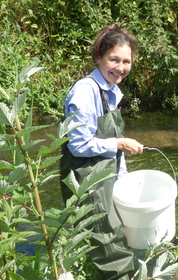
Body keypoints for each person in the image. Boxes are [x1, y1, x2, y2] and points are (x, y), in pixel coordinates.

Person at [59, 25, 144, 280]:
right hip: (88, 180)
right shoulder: (85, 91)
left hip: (107, 176)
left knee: (115, 234)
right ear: (99, 58)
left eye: (126, 61)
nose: (120, 67)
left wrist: (123, 175)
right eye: (114, 60)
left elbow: (106, 140)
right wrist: (118, 144)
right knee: (108, 243)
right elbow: (78, 144)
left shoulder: (111, 90)